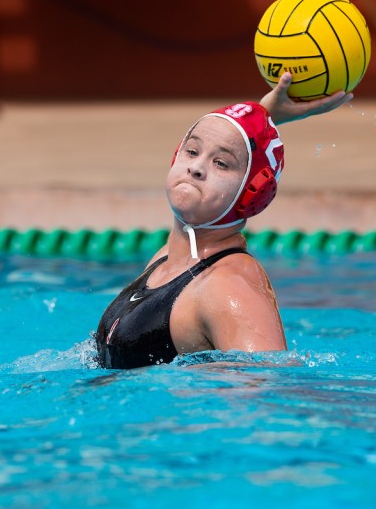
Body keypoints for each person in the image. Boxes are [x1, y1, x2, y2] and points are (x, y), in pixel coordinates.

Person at [95, 73, 353, 369]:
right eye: (192, 151)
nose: (196, 168)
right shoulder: (172, 259)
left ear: (252, 193)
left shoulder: (228, 285)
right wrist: (264, 114)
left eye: (221, 163)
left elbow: (270, 383)